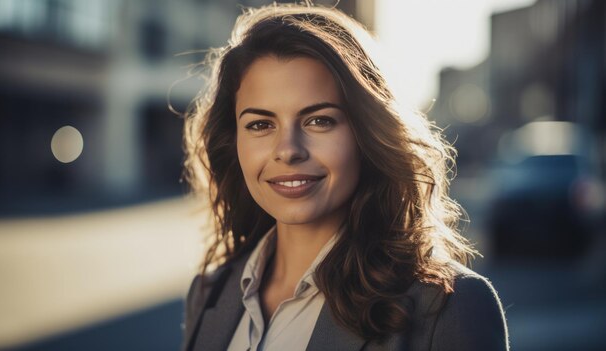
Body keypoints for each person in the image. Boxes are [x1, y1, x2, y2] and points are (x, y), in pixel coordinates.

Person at [181, 3, 509, 350]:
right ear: (234, 142)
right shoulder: (208, 293)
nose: (288, 149)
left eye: (319, 120)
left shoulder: (449, 307)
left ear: (365, 134)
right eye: (260, 125)